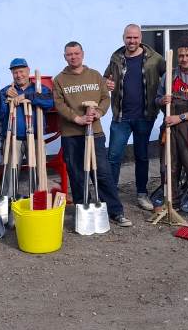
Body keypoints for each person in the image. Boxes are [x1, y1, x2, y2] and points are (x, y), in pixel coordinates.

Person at [52, 41, 131, 227]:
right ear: (65, 57)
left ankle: (115, 211)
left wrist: (99, 112)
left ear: (82, 54)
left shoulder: (95, 75)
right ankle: (82, 211)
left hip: (94, 133)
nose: (73, 57)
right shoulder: (59, 80)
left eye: (76, 53)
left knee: (102, 173)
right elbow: (59, 104)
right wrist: (76, 119)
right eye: (69, 54)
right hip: (72, 135)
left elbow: (105, 97)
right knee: (77, 174)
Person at [104, 24, 165, 211]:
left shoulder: (156, 59)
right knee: (113, 156)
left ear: (140, 38)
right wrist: (106, 82)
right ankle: (111, 195)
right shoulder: (116, 58)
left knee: (142, 156)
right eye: (129, 38)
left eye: (135, 38)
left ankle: (141, 193)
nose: (132, 41)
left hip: (145, 116)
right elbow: (106, 77)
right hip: (121, 116)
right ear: (124, 38)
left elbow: (168, 80)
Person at [154, 37, 188, 212]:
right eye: (181, 56)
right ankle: (172, 203)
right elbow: (156, 99)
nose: (184, 59)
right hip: (169, 129)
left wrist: (182, 117)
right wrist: (162, 100)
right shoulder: (169, 76)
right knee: (168, 168)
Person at [0, 58, 54, 193]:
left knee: (38, 171)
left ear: (28, 71)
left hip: (36, 136)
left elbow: (50, 103)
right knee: (10, 172)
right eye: (15, 72)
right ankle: (9, 203)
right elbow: (0, 113)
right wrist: (6, 99)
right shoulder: (6, 90)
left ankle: (38, 200)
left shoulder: (39, 89)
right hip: (13, 137)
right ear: (12, 74)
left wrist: (26, 96)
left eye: (21, 71)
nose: (19, 75)